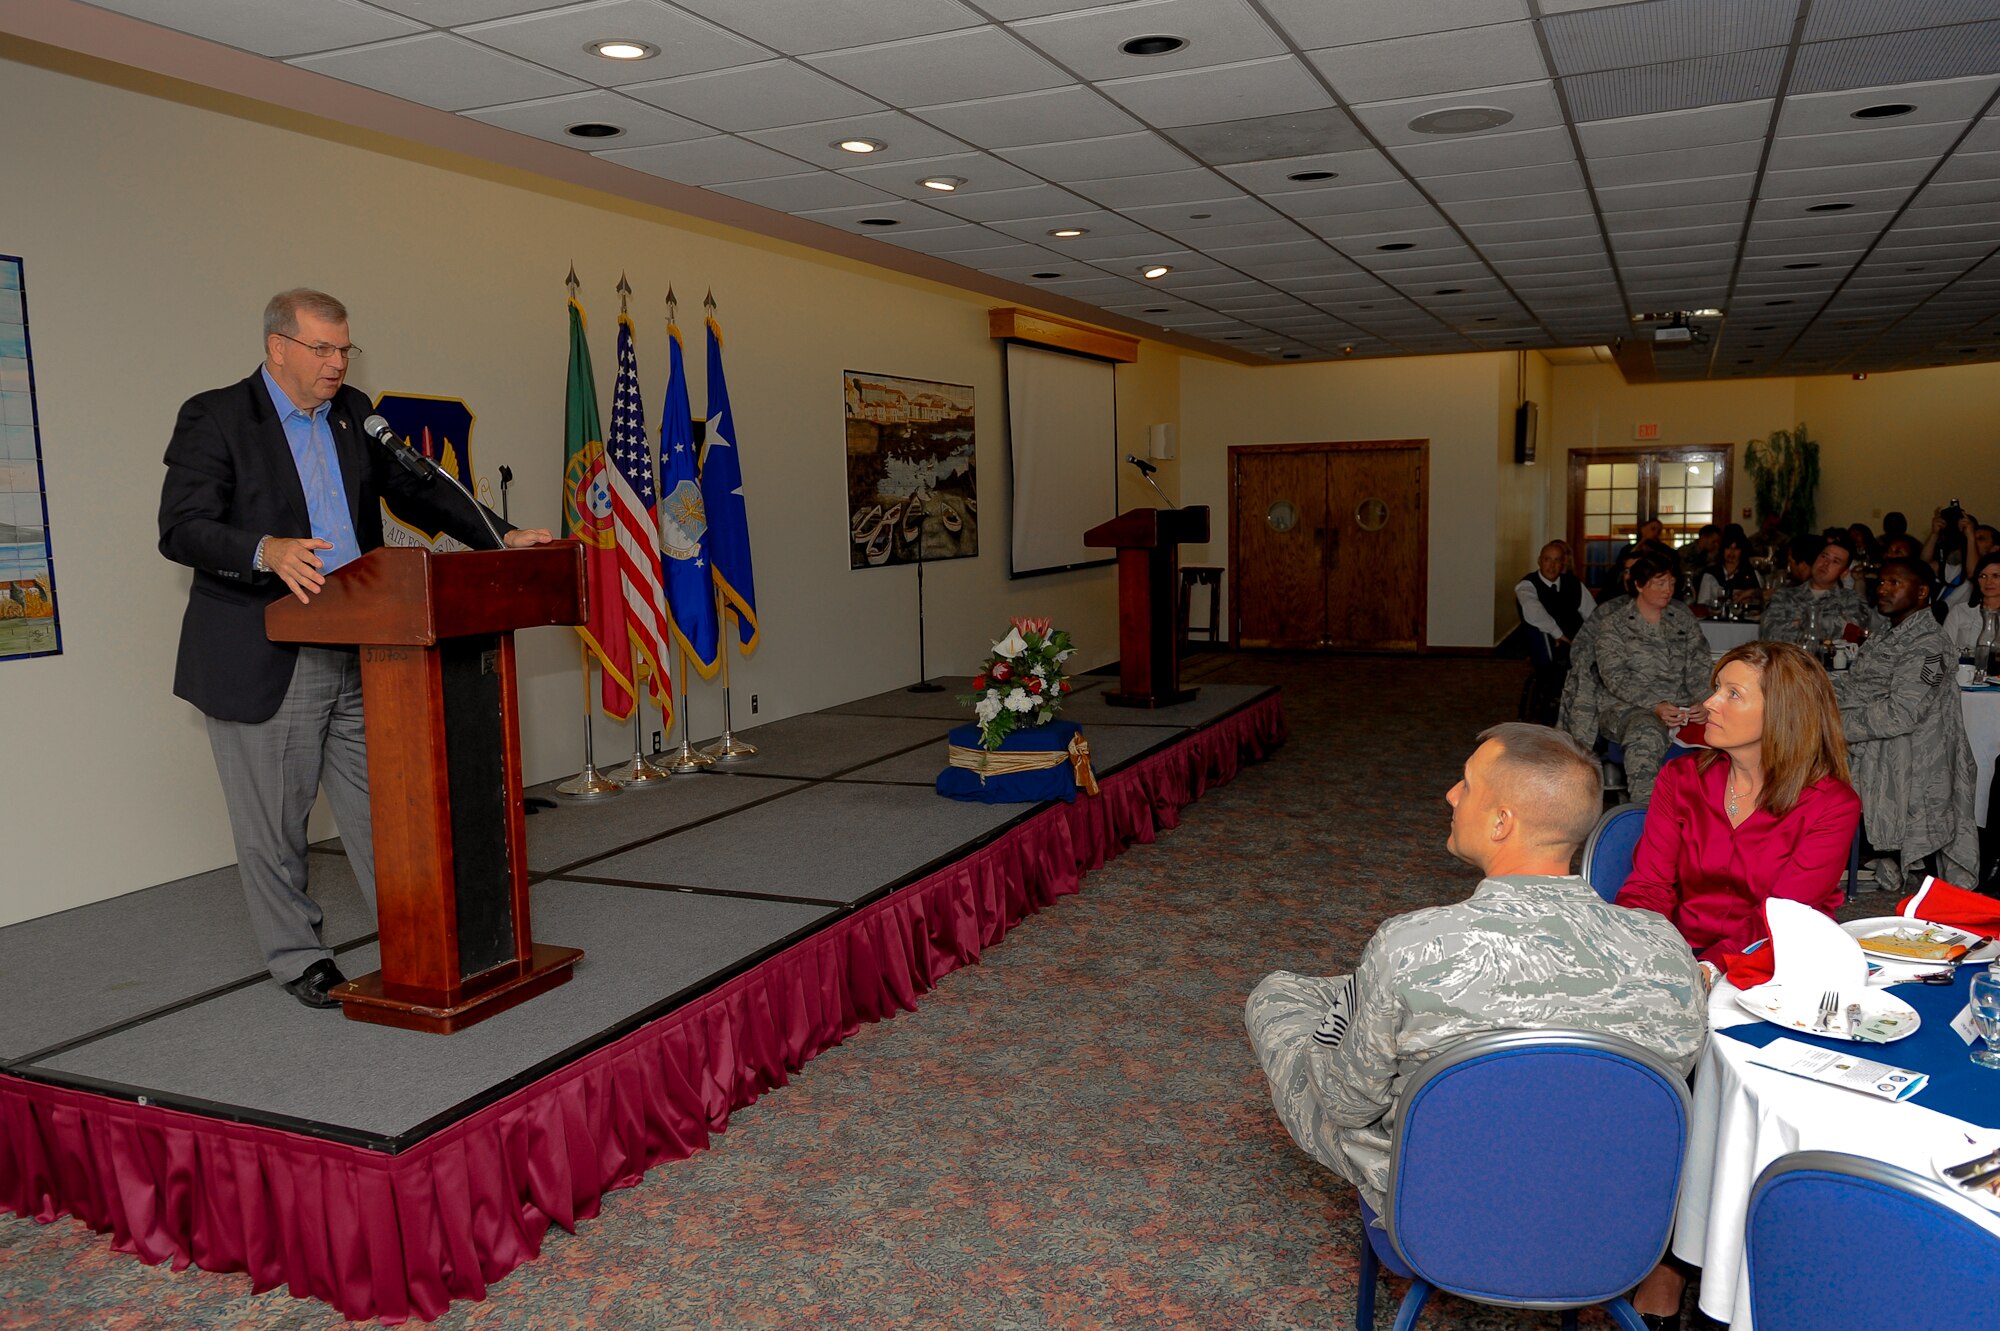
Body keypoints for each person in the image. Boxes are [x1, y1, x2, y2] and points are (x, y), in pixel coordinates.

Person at [158, 289, 554, 1008]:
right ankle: (298, 956)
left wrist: (500, 533)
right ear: (278, 346)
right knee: (274, 824)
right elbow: (181, 526)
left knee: (391, 807)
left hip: (368, 643)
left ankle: (417, 936)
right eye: (323, 349)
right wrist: (265, 549)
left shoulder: (352, 412)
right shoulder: (216, 417)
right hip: (268, 646)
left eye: (345, 349)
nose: (338, 363)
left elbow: (420, 489)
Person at [1243, 722, 1705, 1234]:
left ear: (1501, 822)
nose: (1450, 795)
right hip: (1606, 1210)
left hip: (1442, 1203)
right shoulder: (1666, 947)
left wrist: (1339, 1025)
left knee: (1279, 998)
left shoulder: (1411, 946)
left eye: (1465, 784)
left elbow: (1345, 1103)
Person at [1617, 642, 1863, 963]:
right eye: (1717, 688)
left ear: (1782, 712)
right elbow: (1650, 887)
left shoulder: (1831, 805)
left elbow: (1781, 919)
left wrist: (1710, 969)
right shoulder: (1681, 778)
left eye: (1732, 694)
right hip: (1679, 953)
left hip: (1773, 961)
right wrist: (1639, 950)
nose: (1709, 703)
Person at [1831, 557, 1981, 892]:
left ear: (1922, 592)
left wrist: (1831, 725)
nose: (1882, 589)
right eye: (1881, 582)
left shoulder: (1928, 642)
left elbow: (1901, 713)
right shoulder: (1888, 633)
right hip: (1874, 746)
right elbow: (1858, 684)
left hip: (1910, 760)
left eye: (1894, 583)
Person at [1595, 551, 1714, 803]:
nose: (1667, 590)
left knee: (1732, 729)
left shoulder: (1682, 618)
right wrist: (1655, 706)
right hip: (1630, 706)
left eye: (1671, 583)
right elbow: (1615, 677)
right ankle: (1645, 816)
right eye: (1659, 583)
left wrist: (1704, 702)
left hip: (1682, 706)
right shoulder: (1614, 625)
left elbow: (1699, 665)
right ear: (1639, 585)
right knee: (1646, 734)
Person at [1516, 540, 1595, 725]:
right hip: (1549, 644)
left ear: (1563, 564)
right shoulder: (1527, 586)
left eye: (1557, 560)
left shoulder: (1574, 584)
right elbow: (1535, 613)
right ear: (1539, 561)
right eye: (1547, 560)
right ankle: (1554, 713)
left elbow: (1592, 613)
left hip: (1577, 640)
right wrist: (1558, 634)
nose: (1552, 565)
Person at [1761, 536, 1874, 645]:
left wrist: (1798, 623)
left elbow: (1852, 636)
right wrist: (1829, 625)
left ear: (1844, 572)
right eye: (1824, 556)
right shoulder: (1783, 596)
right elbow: (1771, 635)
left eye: (1835, 561)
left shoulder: (1852, 600)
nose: (1825, 564)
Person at [1945, 551, 2000, 658]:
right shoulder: (1960, 610)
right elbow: (1944, 649)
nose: (1988, 582)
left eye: (1996, 576)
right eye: (1983, 576)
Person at [1696, 529, 1761, 609]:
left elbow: (1760, 602)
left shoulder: (1752, 574)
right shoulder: (1710, 574)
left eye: (1736, 549)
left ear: (1741, 551)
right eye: (1728, 548)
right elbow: (1702, 604)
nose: (1731, 552)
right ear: (1722, 550)